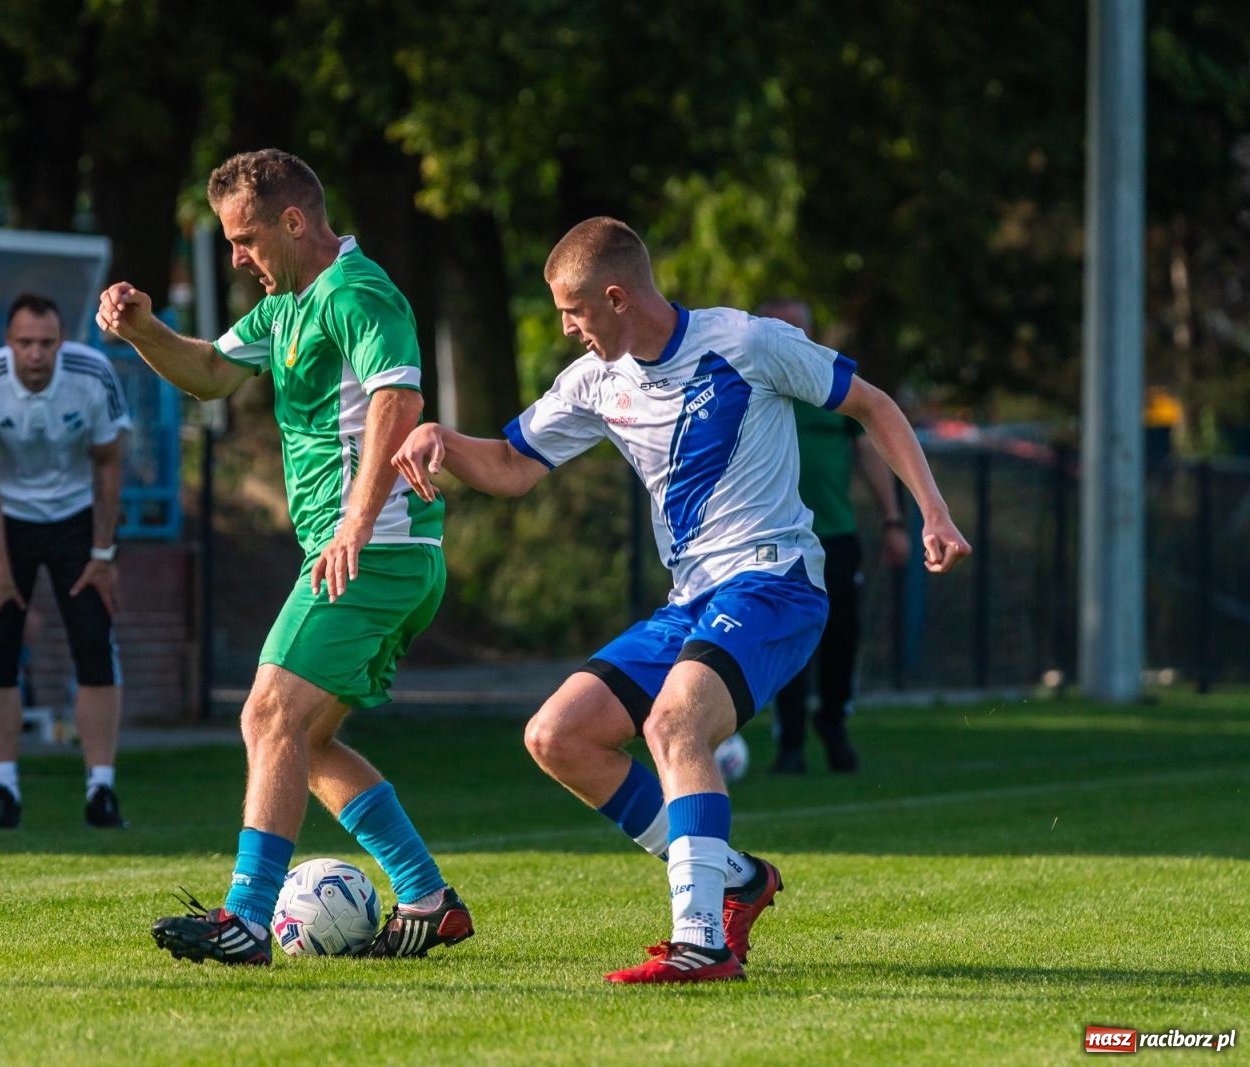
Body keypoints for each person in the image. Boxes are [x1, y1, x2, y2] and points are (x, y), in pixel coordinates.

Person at [392, 217, 970, 984]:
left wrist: (931, 509)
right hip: (692, 600)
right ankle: (734, 877)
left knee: (674, 721)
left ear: (616, 296)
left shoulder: (748, 343)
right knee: (558, 736)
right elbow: (508, 465)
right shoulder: (596, 382)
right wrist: (441, 438)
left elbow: (874, 406)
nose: (566, 330)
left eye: (573, 312)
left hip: (775, 583)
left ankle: (702, 939)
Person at [98, 149, 472, 966]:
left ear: (295, 222)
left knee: (267, 715)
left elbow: (399, 399)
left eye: (246, 238)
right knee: (302, 744)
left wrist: (354, 524)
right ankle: (428, 895)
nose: (236, 256)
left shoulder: (355, 291)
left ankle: (245, 917)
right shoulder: (285, 307)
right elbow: (205, 374)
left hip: (375, 552)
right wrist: (141, 330)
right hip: (382, 557)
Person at [0, 293, 131, 830]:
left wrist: (103, 554)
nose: (36, 355)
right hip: (5, 518)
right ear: (9, 343)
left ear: (62, 341)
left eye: (47, 343)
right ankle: (3, 788)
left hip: (76, 517)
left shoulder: (92, 373)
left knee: (94, 645)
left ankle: (101, 787)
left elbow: (108, 464)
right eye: (25, 343)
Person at [757, 299, 910, 774]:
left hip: (835, 537)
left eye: (796, 330)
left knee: (841, 637)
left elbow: (868, 450)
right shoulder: (748, 386)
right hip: (775, 540)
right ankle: (791, 740)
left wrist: (893, 520)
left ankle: (833, 723)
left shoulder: (829, 381)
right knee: (784, 641)